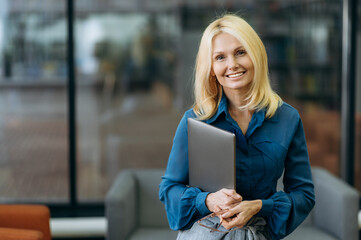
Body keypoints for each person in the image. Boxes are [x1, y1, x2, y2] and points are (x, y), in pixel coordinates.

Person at [159, 14, 315, 240]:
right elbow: (169, 188)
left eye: (240, 52)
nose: (232, 64)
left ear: (256, 55)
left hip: (256, 233)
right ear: (211, 68)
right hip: (205, 232)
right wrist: (208, 200)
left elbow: (304, 194)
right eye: (220, 57)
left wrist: (260, 206)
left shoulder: (287, 118)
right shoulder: (195, 120)